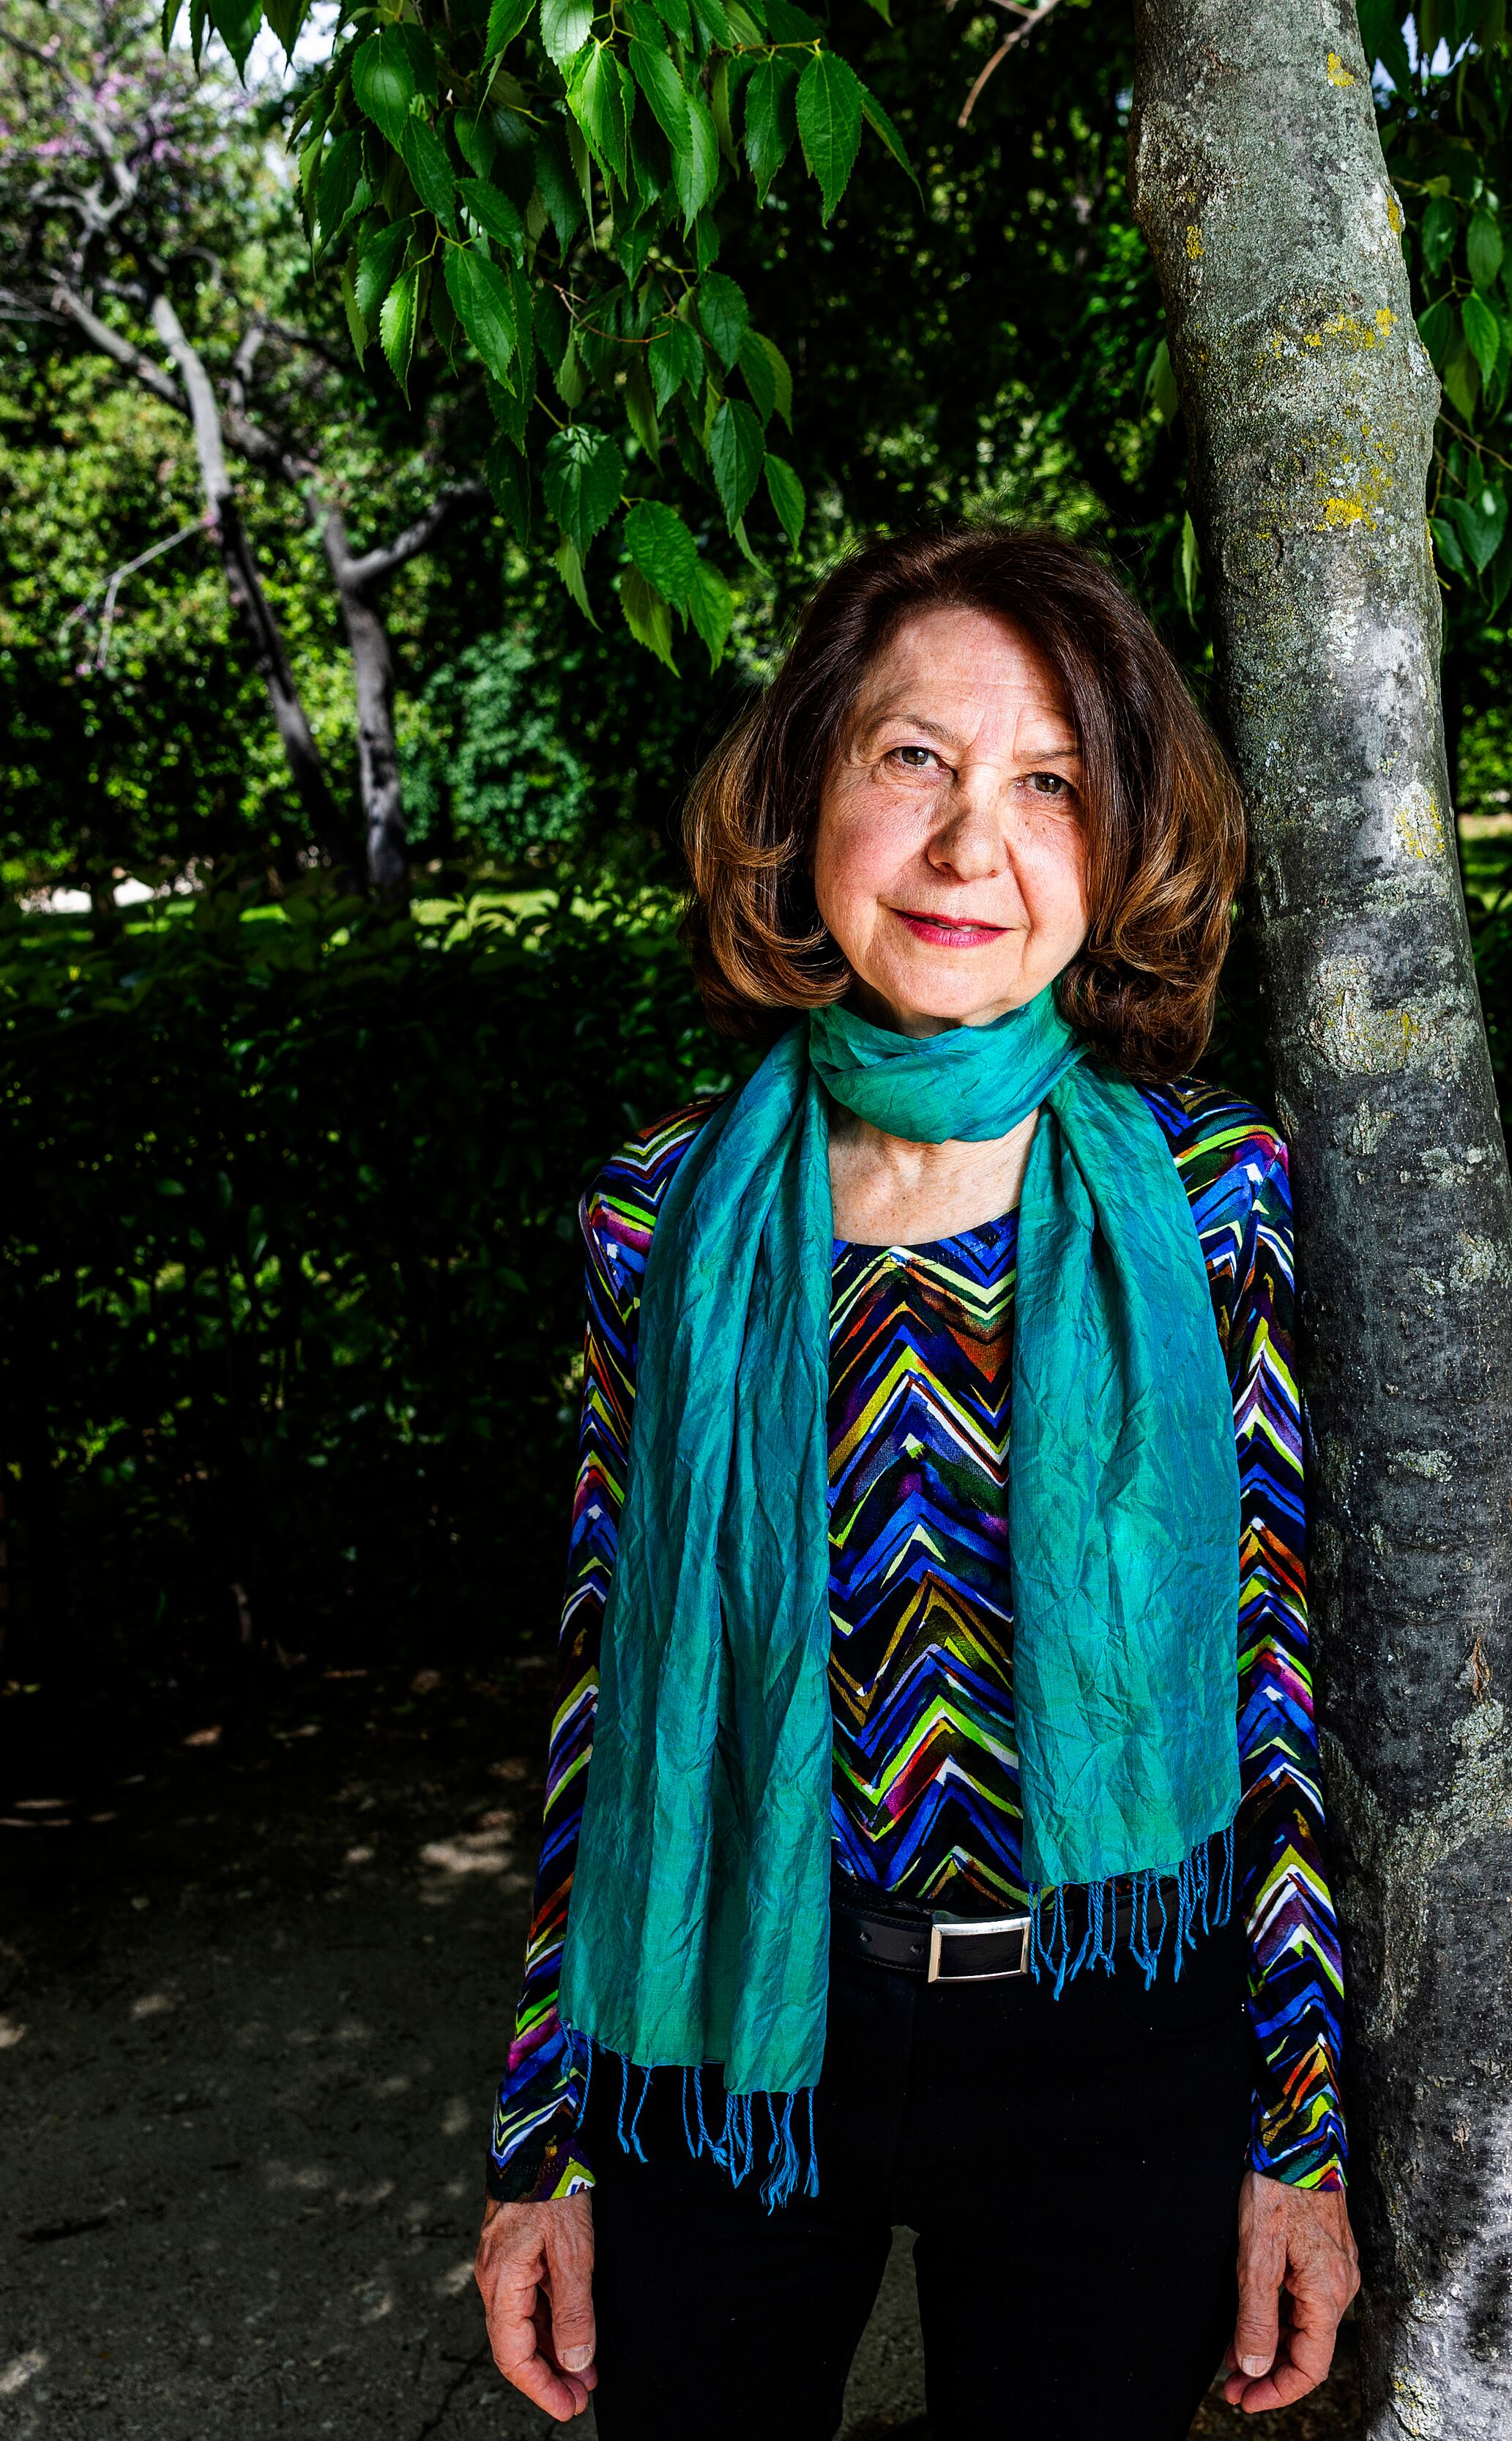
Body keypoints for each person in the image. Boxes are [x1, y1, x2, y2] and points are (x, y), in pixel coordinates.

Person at [472, 527, 1358, 2437]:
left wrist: (1298, 2134)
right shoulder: (661, 1214)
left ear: (1122, 843)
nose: (974, 844)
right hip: (724, 2029)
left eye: (1051, 780)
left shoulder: (1211, 1197)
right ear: (802, 797)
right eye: (912, 760)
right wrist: (538, 2138)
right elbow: (601, 1690)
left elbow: (1267, 1672)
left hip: (1111, 2049)